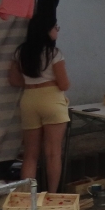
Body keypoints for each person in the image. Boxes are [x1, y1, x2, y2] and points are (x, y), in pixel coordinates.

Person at [7, 15, 70, 193]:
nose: (57, 30)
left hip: (29, 99)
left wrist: (31, 83)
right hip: (51, 100)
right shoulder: (54, 53)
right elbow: (64, 84)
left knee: (30, 154)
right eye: (55, 27)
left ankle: (28, 198)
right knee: (53, 153)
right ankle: (52, 195)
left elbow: (13, 80)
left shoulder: (20, 52)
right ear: (46, 30)